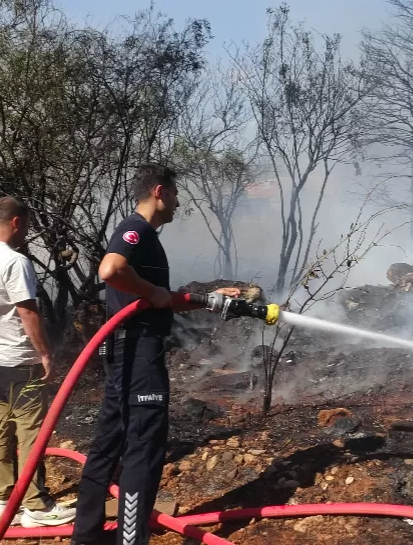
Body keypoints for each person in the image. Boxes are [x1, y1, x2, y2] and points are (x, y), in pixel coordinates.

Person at [70, 163, 239, 545]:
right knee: (144, 447)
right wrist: (150, 290)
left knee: (109, 442)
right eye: (176, 194)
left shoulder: (146, 237)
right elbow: (111, 270)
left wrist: (208, 301)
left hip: (125, 349)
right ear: (160, 192)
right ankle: (131, 540)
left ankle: (86, 536)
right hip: (138, 352)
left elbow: (158, 301)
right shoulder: (137, 230)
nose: (179, 203)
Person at [0, 196, 77, 528]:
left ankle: (3, 499)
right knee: (31, 431)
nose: (27, 233)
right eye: (28, 226)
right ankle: (35, 505)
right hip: (20, 360)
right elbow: (27, 310)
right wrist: (45, 353)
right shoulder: (13, 261)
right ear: (17, 222)